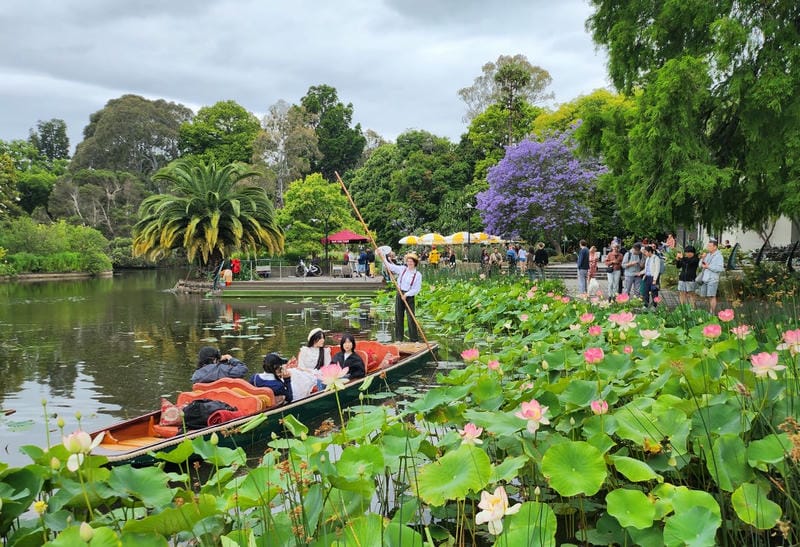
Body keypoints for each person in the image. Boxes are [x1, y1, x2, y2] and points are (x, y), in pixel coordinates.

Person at [378, 249, 422, 342]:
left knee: (411, 318)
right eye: (408, 261)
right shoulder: (403, 269)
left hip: (409, 296)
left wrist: (407, 294)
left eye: (411, 262)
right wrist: (382, 256)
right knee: (398, 316)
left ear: (415, 263)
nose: (409, 263)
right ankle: (399, 339)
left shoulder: (417, 275)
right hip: (399, 293)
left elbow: (416, 289)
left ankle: (414, 340)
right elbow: (390, 266)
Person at [287, 328, 331, 398]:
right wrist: (307, 371)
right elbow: (300, 366)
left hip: (316, 374)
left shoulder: (325, 351)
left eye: (323, 338)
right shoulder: (304, 350)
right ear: (314, 339)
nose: (323, 340)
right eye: (320, 338)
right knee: (291, 372)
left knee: (303, 378)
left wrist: (312, 372)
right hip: (303, 372)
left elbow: (327, 368)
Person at [698, 238, 725, 314]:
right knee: (705, 296)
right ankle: (708, 312)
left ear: (715, 247)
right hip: (705, 278)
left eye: (710, 246)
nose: (708, 247)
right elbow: (700, 266)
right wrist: (702, 259)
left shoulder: (719, 256)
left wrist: (708, 266)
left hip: (713, 279)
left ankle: (712, 313)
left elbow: (720, 268)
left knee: (712, 296)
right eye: (708, 246)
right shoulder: (708, 255)